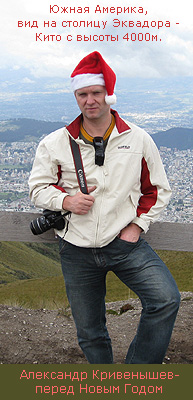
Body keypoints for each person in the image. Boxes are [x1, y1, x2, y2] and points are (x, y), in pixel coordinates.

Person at [29, 51, 180, 364]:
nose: (89, 101)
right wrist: (65, 201)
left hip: (123, 243)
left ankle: (137, 374)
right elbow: (38, 189)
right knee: (89, 329)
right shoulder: (55, 142)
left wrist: (137, 226)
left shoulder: (137, 139)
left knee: (165, 299)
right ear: (76, 96)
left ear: (108, 95)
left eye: (96, 93)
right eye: (82, 94)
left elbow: (157, 189)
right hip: (76, 247)